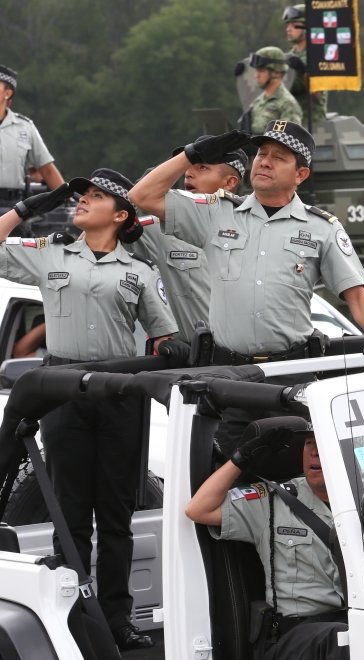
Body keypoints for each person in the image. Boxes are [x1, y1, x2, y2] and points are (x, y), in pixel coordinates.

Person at [129, 121, 364, 456]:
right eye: (261, 153)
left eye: (278, 157)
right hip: (229, 379)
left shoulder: (322, 228)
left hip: (289, 378)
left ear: (301, 174)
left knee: (292, 478)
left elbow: (357, 295)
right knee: (222, 487)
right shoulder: (216, 213)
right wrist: (192, 154)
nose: (264, 161)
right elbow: (141, 196)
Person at [0, 169, 178, 651]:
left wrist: (171, 351)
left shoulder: (140, 272)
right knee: (70, 514)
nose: (81, 202)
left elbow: (163, 337)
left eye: (95, 197)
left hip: (121, 393)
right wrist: (31, 207)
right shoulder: (52, 253)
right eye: (80, 196)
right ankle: (77, 616)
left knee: (116, 512)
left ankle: (118, 618)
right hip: (62, 389)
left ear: (120, 215)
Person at [185, 419, 349, 660]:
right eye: (308, 443)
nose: (314, 452)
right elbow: (198, 510)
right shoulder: (273, 501)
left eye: (323, 442)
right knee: (343, 639)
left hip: (355, 620)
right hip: (293, 634)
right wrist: (241, 460)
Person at [135, 148, 248, 342]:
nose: (188, 173)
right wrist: (131, 205)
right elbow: (93, 248)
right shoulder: (156, 229)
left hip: (246, 358)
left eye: (202, 167)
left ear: (229, 182)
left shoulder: (253, 226)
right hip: (187, 360)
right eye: (188, 167)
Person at [0, 65, 64, 213]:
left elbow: (47, 169)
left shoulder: (25, 127)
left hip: (13, 207)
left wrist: (66, 197)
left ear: (7, 93)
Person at [283, 4, 328, 125]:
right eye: (287, 25)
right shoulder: (287, 57)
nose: (289, 29)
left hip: (313, 124)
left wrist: (303, 71)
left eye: (294, 25)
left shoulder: (317, 55)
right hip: (291, 122)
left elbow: (316, 95)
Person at [245, 48, 302, 134]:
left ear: (277, 73)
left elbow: (287, 141)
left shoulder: (287, 104)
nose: (256, 75)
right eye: (256, 70)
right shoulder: (257, 102)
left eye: (261, 70)